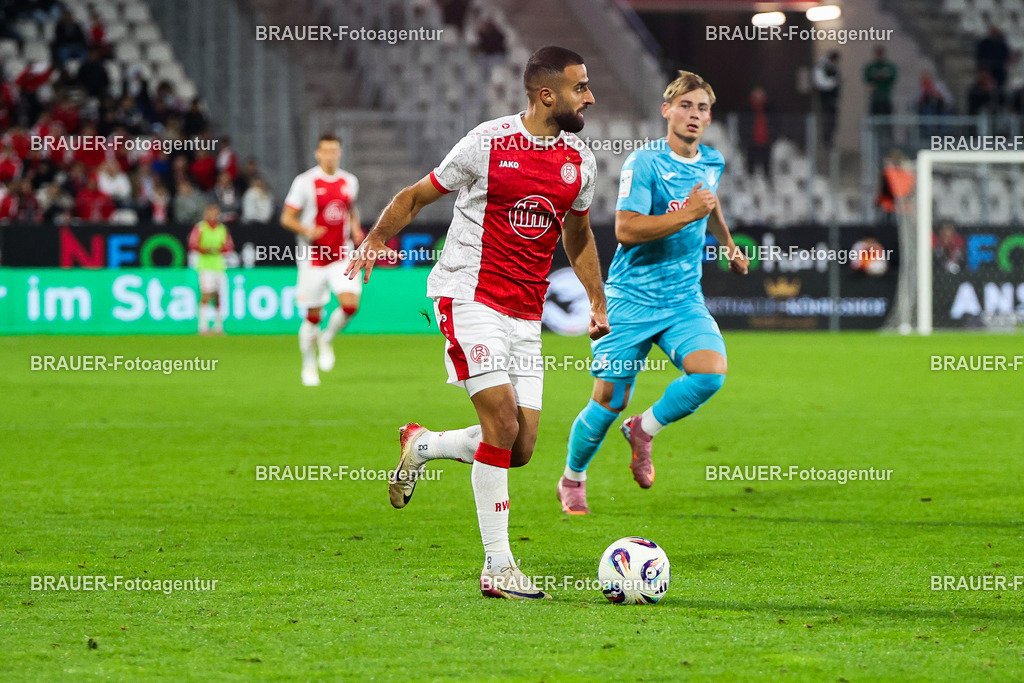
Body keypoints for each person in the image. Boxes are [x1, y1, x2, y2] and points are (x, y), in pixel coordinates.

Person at [346, 46, 607, 599]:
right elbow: (416, 196)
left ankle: (424, 445)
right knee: (503, 425)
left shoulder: (579, 161)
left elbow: (578, 235)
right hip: (467, 295)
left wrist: (596, 300)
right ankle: (498, 567)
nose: (589, 96)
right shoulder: (488, 142)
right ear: (546, 94)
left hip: (524, 311)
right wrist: (373, 242)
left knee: (521, 447)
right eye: (580, 87)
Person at [556, 71, 748, 515]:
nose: (694, 115)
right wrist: (689, 215)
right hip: (630, 298)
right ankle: (573, 477)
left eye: (702, 108)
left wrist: (730, 247)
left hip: (682, 298)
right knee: (607, 402)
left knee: (710, 372)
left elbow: (709, 205)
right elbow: (625, 230)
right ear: (667, 110)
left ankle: (644, 428)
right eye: (685, 105)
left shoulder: (712, 162)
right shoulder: (644, 164)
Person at [280, 134, 364, 387]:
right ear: (318, 154)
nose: (330, 155)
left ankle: (326, 338)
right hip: (312, 258)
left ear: (339, 153)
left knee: (350, 306)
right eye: (325, 151)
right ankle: (308, 365)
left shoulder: (350, 181)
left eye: (334, 151)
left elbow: (350, 208)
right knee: (312, 316)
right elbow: (287, 217)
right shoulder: (305, 182)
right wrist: (307, 231)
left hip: (342, 254)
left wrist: (356, 227)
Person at [188, 204, 235, 335]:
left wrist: (217, 250)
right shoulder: (200, 227)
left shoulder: (222, 229)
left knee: (219, 296)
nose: (214, 215)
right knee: (206, 294)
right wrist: (207, 250)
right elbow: (193, 244)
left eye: (216, 212)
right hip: (205, 266)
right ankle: (203, 327)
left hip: (219, 266)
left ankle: (218, 327)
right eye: (211, 212)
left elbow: (228, 246)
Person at [812, 50, 841, 150]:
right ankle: (826, 140)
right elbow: (820, 83)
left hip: (831, 100)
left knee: (832, 121)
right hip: (826, 99)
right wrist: (834, 82)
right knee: (827, 121)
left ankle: (829, 139)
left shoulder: (830, 68)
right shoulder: (823, 67)